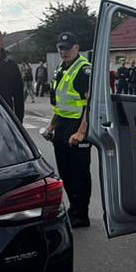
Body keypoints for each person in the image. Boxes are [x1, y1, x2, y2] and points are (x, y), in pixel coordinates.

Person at [43, 32, 92, 228]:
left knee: (79, 173)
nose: (64, 51)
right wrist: (51, 125)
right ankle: (73, 209)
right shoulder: (62, 69)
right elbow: (61, 104)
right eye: (61, 48)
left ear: (77, 48)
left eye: (68, 48)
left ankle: (82, 214)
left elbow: (91, 104)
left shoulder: (83, 70)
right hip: (63, 125)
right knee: (66, 171)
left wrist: (81, 132)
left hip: (78, 126)